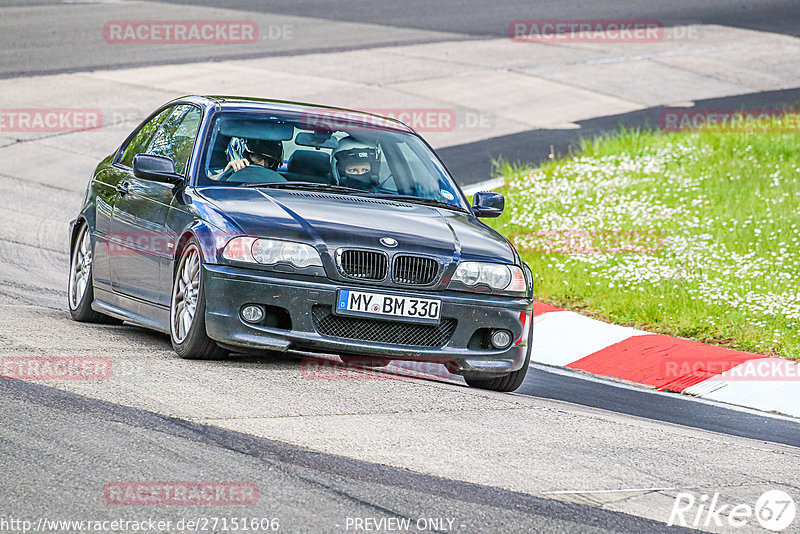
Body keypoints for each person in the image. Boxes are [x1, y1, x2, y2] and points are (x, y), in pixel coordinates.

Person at [213, 138, 283, 180]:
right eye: (257, 157)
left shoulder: (281, 183)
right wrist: (225, 173)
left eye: (269, 161)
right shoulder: (215, 171)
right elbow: (205, 182)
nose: (262, 164)